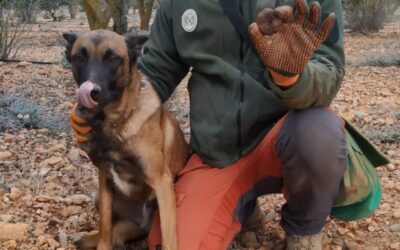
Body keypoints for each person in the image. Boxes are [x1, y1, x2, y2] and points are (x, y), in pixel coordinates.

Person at [71, 0, 349, 249]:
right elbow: (155, 71)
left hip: (282, 138)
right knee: (177, 242)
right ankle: (243, 206)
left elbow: (329, 70)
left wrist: (291, 77)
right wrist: (105, 110)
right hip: (216, 156)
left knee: (319, 132)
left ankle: (304, 230)